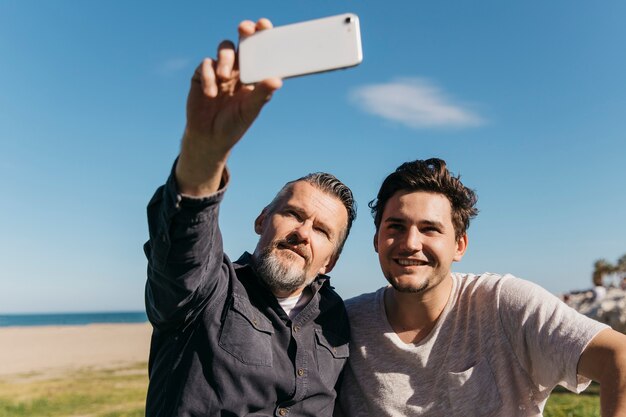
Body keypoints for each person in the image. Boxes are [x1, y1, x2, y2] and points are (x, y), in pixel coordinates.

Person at [144, 18, 357, 416]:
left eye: (323, 230)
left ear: (331, 260)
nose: (303, 232)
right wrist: (204, 150)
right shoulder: (207, 290)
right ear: (262, 220)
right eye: (293, 213)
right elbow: (183, 246)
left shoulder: (337, 320)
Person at [336, 158, 626, 417]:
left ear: (459, 245)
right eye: (395, 227)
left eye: (430, 229)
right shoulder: (342, 324)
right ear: (376, 240)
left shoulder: (504, 304)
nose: (410, 243)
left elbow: (620, 358)